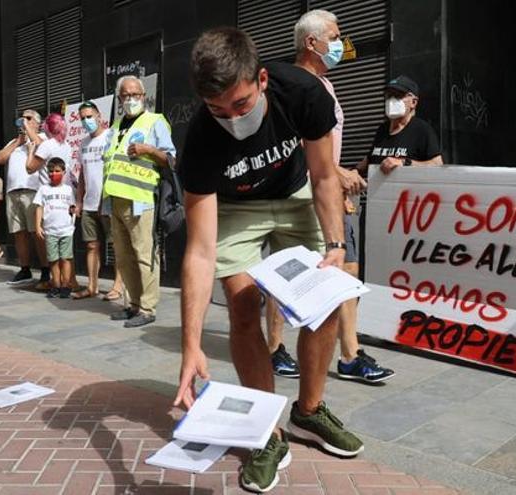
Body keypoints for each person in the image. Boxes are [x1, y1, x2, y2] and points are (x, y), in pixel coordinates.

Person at [175, 28, 368, 493]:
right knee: (243, 306)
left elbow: (324, 175)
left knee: (322, 297)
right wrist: (191, 347)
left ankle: (308, 411)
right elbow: (200, 252)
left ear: (261, 79)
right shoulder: (200, 140)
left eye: (241, 105)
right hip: (237, 207)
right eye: (218, 109)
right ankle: (266, 432)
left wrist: (335, 247)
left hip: (297, 192)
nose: (231, 118)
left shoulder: (302, 92)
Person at [290, 9, 398, 384]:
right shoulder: (297, 84)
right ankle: (279, 349)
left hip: (330, 192)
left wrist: (337, 181)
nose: (340, 45)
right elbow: (300, 146)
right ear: (311, 42)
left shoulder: (327, 85)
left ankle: (349, 354)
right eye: (334, 38)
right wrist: (336, 175)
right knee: (318, 276)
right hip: (307, 194)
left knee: (346, 270)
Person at [101, 75, 176, 328]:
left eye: (136, 95)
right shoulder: (116, 126)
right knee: (123, 257)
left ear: (144, 97)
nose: (131, 99)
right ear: (120, 99)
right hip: (115, 199)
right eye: (126, 95)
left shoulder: (155, 122)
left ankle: (147, 307)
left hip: (140, 198)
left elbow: (172, 159)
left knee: (144, 254)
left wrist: (149, 150)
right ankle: (132, 304)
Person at [74, 101, 125, 300]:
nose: (87, 121)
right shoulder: (83, 143)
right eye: (83, 118)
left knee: (115, 245)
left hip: (108, 201)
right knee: (91, 246)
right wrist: (78, 201)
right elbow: (82, 176)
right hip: (88, 203)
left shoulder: (110, 137)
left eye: (89, 116)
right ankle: (92, 286)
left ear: (98, 116)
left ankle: (118, 286)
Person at [0, 109, 51, 288]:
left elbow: (44, 148)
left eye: (28, 118)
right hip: (13, 192)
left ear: (37, 122)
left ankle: (45, 270)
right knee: (19, 233)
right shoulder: (15, 142)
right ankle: (25, 268)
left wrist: (30, 134)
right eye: (22, 118)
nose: (23, 121)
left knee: (36, 232)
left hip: (32, 191)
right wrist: (18, 141)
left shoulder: (42, 137)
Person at [355, 76, 443, 177]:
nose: (392, 100)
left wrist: (405, 163)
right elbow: (368, 160)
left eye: (398, 96)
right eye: (389, 96)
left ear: (413, 102)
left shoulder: (422, 130)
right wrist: (353, 172)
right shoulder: (382, 130)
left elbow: (437, 165)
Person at [26, 113, 73, 287]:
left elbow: (30, 168)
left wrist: (31, 152)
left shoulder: (47, 145)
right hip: (64, 198)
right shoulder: (66, 145)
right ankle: (68, 282)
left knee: (52, 245)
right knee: (66, 246)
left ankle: (56, 281)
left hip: (49, 198)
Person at [34, 157, 77, 298]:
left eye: (57, 171)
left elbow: (72, 207)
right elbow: (39, 207)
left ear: (64, 172)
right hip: (50, 230)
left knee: (66, 258)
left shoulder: (68, 190)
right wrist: (38, 225)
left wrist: (74, 212)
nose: (54, 174)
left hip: (66, 230)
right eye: (51, 171)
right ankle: (56, 285)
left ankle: (66, 285)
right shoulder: (43, 189)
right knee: (53, 259)